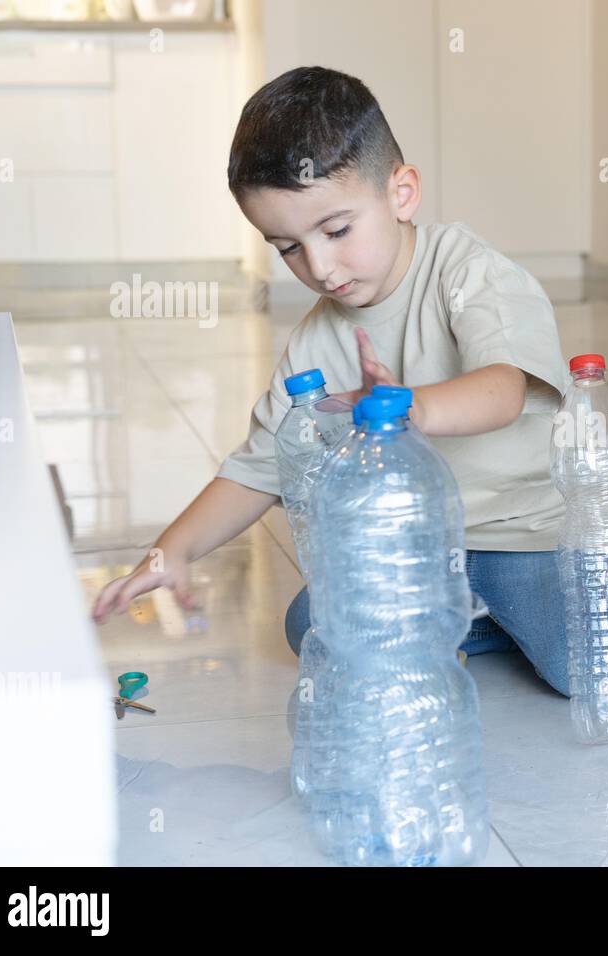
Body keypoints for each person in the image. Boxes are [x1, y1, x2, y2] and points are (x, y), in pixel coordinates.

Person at [91, 66, 570, 697]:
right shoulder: (319, 336)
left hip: (519, 540)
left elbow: (504, 391)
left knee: (582, 670)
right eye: (287, 247)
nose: (318, 266)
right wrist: (171, 550)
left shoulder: (470, 275)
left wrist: (409, 406)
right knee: (309, 623)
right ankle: (472, 623)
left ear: (401, 193)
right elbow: (256, 468)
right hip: (412, 555)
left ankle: (535, 609)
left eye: (337, 231)